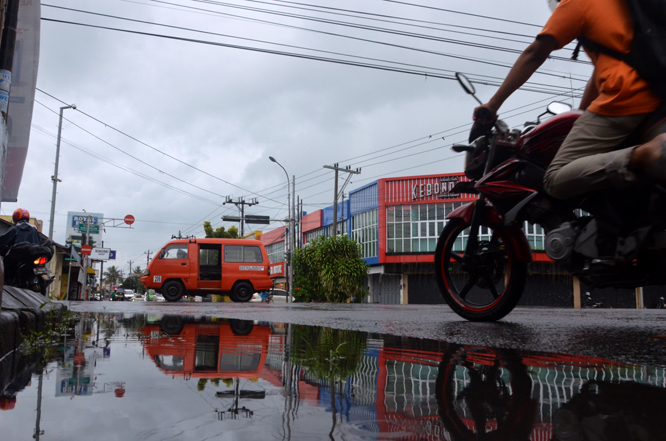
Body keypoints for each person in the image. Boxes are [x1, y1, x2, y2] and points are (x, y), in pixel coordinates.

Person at [474, 0, 666, 201]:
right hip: (659, 91)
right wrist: (581, 115)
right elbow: (601, 71)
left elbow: (534, 54)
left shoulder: (577, 3)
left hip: (627, 98)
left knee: (555, 178)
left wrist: (492, 105)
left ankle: (644, 153)